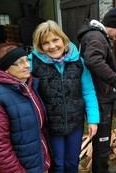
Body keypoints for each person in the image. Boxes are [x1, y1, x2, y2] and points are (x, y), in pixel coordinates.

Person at [29, 20, 100, 173]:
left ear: (63, 39)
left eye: (55, 40)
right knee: (58, 165)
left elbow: (88, 91)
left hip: (76, 123)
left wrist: (93, 119)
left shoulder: (78, 62)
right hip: (51, 126)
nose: (52, 46)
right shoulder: (32, 63)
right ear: (40, 46)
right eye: (45, 43)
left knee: (73, 162)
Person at [77, 7, 116, 173]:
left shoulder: (96, 36)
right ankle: (101, 170)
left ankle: (101, 167)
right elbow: (93, 61)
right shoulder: (97, 37)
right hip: (100, 98)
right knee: (102, 139)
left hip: (100, 95)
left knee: (101, 139)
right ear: (111, 25)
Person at [0, 43, 51, 172]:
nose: (27, 65)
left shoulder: (27, 86)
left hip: (33, 163)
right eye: (19, 63)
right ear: (6, 68)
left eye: (26, 60)